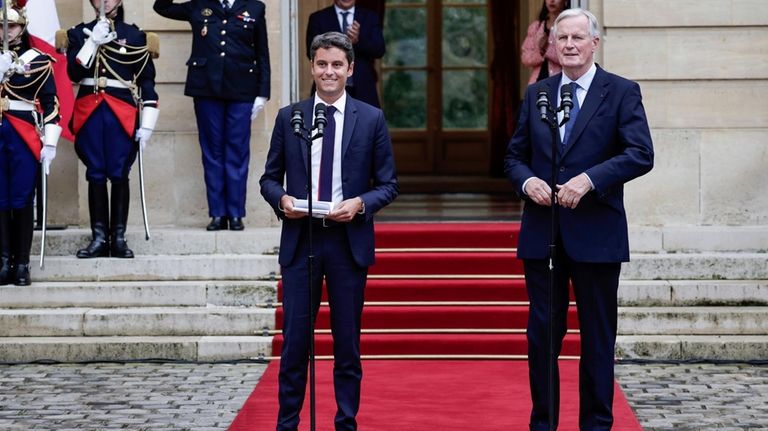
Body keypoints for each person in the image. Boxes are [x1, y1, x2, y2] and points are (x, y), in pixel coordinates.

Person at [504, 8, 653, 429]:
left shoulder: (621, 92)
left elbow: (640, 153)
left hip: (597, 233)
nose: (568, 45)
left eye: (577, 38)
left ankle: (596, 424)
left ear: (594, 43)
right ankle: (544, 423)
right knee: (542, 340)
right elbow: (514, 157)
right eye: (561, 38)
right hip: (543, 234)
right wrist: (527, 181)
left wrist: (589, 180)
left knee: (598, 340)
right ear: (552, 45)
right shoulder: (538, 95)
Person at [260, 32, 398, 431]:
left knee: (347, 345)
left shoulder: (371, 118)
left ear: (351, 69)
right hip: (301, 238)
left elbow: (388, 184)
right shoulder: (291, 117)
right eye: (322, 64)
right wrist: (282, 200)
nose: (329, 72)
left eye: (337, 65)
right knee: (296, 344)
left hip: (347, 241)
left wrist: (360, 204)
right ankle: (287, 423)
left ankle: (346, 422)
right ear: (312, 67)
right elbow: (269, 178)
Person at [153, 0, 270, 231]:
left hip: (242, 89)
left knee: (236, 152)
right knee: (212, 152)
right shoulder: (200, 5)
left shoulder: (255, 7)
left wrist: (263, 93)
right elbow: (162, 7)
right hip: (207, 88)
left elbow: (262, 52)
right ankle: (217, 213)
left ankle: (235, 213)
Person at [64, 0, 159, 259]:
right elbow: (73, 72)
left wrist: (148, 121)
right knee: (95, 172)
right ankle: (98, 237)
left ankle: (118, 237)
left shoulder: (134, 35)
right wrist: (92, 41)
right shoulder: (77, 33)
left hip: (121, 112)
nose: (105, 2)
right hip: (90, 112)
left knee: (118, 172)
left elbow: (146, 79)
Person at [0, 3, 61, 285]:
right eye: (1, 27)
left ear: (22, 27)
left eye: (10, 26)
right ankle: (3, 260)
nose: (5, 32)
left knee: (22, 198)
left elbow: (50, 103)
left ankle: (22, 262)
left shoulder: (37, 59)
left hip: (23, 131)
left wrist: (49, 143)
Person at [306, 0, 384, 108]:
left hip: (363, 89)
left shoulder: (370, 17)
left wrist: (358, 41)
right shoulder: (318, 18)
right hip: (328, 87)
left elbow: (379, 50)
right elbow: (311, 52)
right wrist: (343, 44)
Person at [521, 0, 570, 85]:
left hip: (561, 84)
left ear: (565, 1)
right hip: (537, 84)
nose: (552, 1)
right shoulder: (536, 27)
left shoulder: (569, 27)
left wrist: (547, 47)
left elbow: (569, 58)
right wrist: (540, 51)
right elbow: (526, 58)